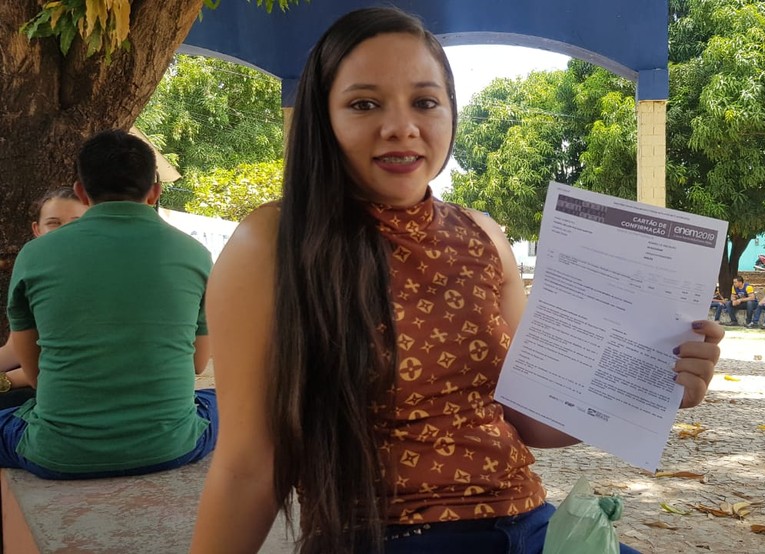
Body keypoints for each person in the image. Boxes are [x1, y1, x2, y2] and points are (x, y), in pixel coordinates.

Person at [190, 7, 721, 554]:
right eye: (364, 103)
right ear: (323, 120)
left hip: (531, 524)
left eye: (425, 102)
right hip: (387, 536)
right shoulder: (272, 244)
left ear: (450, 114)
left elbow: (531, 421)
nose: (402, 126)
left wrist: (654, 383)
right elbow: (249, 466)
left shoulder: (485, 238)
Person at [0, 129, 217, 479]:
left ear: (81, 192)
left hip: (57, 454)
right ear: (155, 192)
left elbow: (37, 375)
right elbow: (197, 363)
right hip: (172, 447)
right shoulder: (195, 254)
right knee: (218, 402)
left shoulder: (35, 254)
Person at [0, 187, 89, 410]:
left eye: (75, 222)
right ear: (37, 229)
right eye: (54, 223)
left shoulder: (95, 278)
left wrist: (4, 381)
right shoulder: (37, 275)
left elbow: (60, 368)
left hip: (70, 395)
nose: (64, 232)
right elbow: (14, 350)